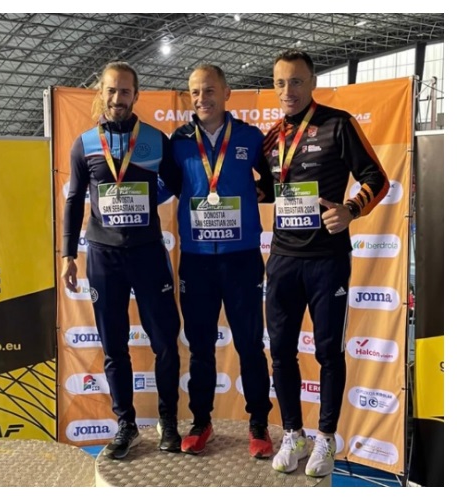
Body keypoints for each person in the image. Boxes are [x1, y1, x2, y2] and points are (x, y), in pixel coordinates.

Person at [262, 50, 389, 477]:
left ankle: (325, 438)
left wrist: (352, 210)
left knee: (328, 353)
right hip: (282, 259)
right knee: (280, 352)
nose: (287, 91)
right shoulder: (272, 135)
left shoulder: (338, 123)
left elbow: (377, 177)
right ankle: (293, 433)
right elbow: (265, 191)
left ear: (312, 81)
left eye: (296, 81)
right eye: (280, 83)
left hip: (326, 261)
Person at [60, 61, 182, 460]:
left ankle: (169, 421)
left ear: (136, 94)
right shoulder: (84, 143)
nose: (117, 98)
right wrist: (67, 255)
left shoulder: (154, 139)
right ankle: (125, 424)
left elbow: (177, 184)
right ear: (101, 91)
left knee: (165, 342)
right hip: (102, 256)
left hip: (147, 252)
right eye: (111, 90)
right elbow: (75, 199)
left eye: (125, 91)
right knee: (114, 347)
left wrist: (151, 201)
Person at [159, 64, 275, 458]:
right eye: (194, 92)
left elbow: (274, 184)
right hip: (196, 261)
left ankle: (258, 423)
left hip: (241, 259)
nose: (201, 99)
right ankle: (201, 421)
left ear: (226, 93)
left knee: (248, 344)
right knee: (201, 347)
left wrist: (254, 195)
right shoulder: (178, 141)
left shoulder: (250, 137)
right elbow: (170, 185)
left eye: (209, 91)